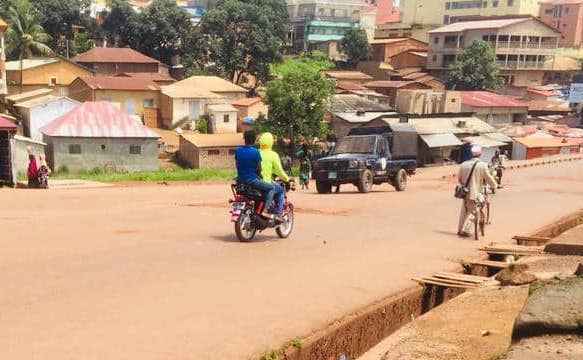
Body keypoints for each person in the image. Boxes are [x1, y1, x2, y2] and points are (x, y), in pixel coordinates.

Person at [457, 145, 497, 238]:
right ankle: (465, 230)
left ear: (471, 153)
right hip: (475, 193)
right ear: (480, 154)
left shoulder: (464, 164)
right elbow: (488, 178)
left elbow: (459, 178)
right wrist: (494, 185)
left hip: (464, 192)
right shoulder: (482, 165)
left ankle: (459, 229)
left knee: (464, 210)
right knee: (474, 211)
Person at [235, 130, 275, 214]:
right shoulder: (256, 152)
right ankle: (265, 210)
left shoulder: (238, 151)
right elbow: (259, 168)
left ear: (244, 139)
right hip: (252, 180)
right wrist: (259, 175)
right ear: (254, 140)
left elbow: (237, 165)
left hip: (239, 181)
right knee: (271, 188)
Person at [258, 132, 290, 221]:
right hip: (266, 183)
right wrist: (287, 179)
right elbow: (279, 171)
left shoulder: (256, 152)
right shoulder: (273, 155)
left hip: (254, 182)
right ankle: (279, 214)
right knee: (280, 191)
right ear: (271, 142)